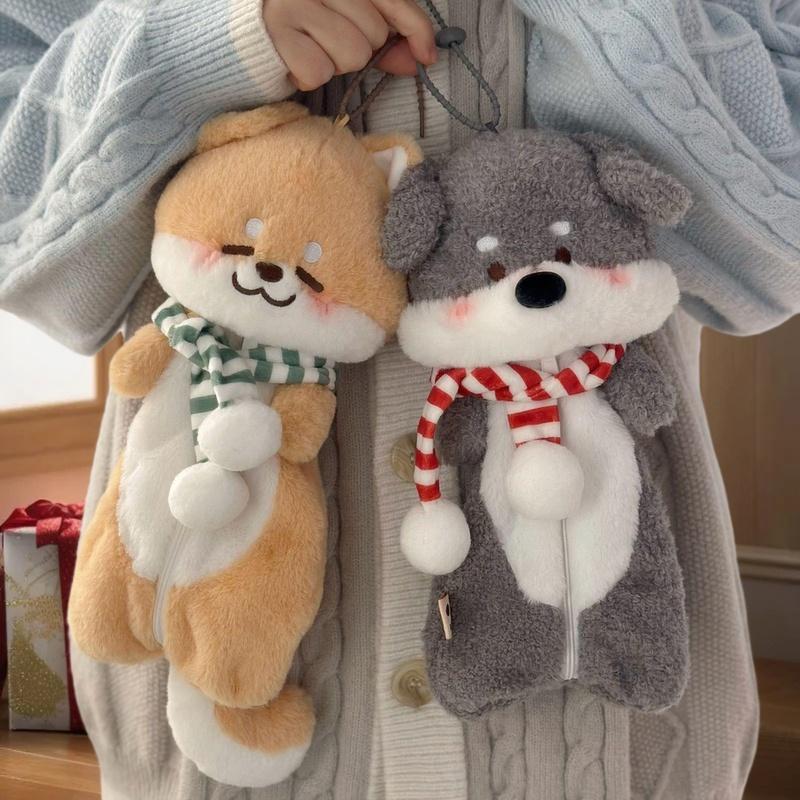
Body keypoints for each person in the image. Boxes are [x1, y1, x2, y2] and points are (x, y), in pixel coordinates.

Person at [1, 1, 798, 797]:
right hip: (218, 709)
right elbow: (26, 243)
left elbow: (774, 256)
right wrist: (212, 42)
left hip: (605, 736)